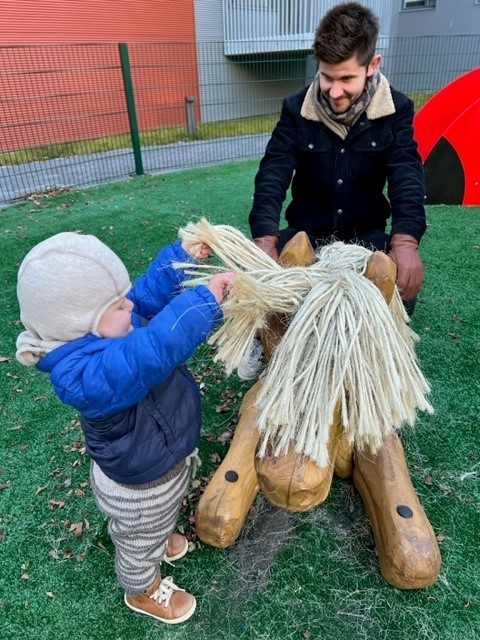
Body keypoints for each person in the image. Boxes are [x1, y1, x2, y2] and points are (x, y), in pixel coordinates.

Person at [15, 231, 236, 624]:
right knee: (138, 540)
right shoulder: (83, 375)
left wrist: (179, 259)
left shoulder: (110, 326)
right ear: (82, 325)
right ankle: (142, 588)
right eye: (118, 304)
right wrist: (204, 301)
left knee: (162, 514)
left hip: (159, 455)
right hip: (139, 486)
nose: (129, 305)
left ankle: (157, 536)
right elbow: (151, 352)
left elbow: (144, 297)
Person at [237, 1, 427, 380]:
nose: (335, 91)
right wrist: (264, 238)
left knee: (400, 289)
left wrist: (406, 241)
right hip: (306, 232)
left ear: (372, 65)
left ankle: (380, 352)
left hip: (365, 234)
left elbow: (406, 172)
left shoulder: (397, 109)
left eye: (347, 79)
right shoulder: (295, 109)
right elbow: (273, 171)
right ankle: (265, 340)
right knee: (262, 281)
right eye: (326, 77)